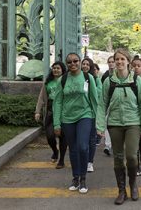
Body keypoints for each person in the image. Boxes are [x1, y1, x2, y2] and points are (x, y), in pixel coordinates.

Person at [96, 48, 141, 205]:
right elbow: (102, 104)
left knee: (132, 156)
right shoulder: (109, 81)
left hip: (133, 122)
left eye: (122, 59)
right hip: (114, 124)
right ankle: (121, 190)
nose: (119, 62)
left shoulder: (137, 81)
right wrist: (100, 125)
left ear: (128, 62)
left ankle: (133, 184)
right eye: (117, 59)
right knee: (118, 158)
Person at [53, 53, 98, 194]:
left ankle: (83, 177)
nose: (73, 64)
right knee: (73, 149)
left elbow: (94, 100)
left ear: (80, 62)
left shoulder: (87, 78)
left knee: (83, 147)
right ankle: (76, 177)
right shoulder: (63, 79)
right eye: (69, 62)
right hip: (67, 118)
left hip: (85, 116)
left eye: (75, 61)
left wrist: (97, 121)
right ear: (67, 64)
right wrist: (56, 124)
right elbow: (57, 102)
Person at [35, 61, 67, 169]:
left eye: (58, 68)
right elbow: (41, 97)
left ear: (62, 70)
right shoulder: (48, 82)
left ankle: (61, 160)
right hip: (50, 111)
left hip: (63, 111)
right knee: (50, 136)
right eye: (54, 68)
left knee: (63, 137)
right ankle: (55, 151)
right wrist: (38, 111)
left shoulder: (66, 80)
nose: (56, 70)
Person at [81, 57, 102, 173]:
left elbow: (99, 92)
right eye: (83, 64)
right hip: (80, 112)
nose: (85, 66)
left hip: (93, 111)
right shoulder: (76, 77)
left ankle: (90, 162)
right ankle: (83, 159)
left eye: (87, 65)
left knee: (91, 139)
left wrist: (90, 88)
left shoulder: (95, 79)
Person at [101, 55, 115, 156]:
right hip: (108, 104)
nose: (111, 63)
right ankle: (107, 145)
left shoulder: (121, 75)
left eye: (112, 61)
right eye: (109, 62)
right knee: (107, 124)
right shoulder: (105, 76)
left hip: (118, 104)